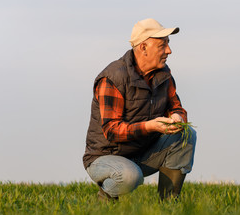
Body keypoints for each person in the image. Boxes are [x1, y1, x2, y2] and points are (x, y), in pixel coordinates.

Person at [83, 18, 196, 201]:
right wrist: (150, 126)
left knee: (186, 134)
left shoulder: (164, 75)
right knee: (129, 176)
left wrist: (177, 116)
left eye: (168, 44)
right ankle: (104, 199)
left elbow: (176, 106)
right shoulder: (113, 77)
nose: (169, 50)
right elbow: (112, 131)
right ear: (143, 47)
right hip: (106, 157)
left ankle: (169, 207)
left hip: (141, 153)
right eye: (162, 45)